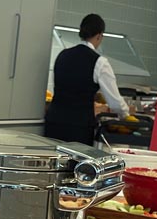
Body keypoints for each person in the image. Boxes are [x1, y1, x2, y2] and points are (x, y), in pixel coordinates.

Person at [45, 13, 129, 145]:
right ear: (99, 36)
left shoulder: (62, 55)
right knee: (76, 165)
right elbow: (115, 103)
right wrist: (126, 116)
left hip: (54, 123)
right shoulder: (100, 62)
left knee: (53, 163)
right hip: (78, 128)